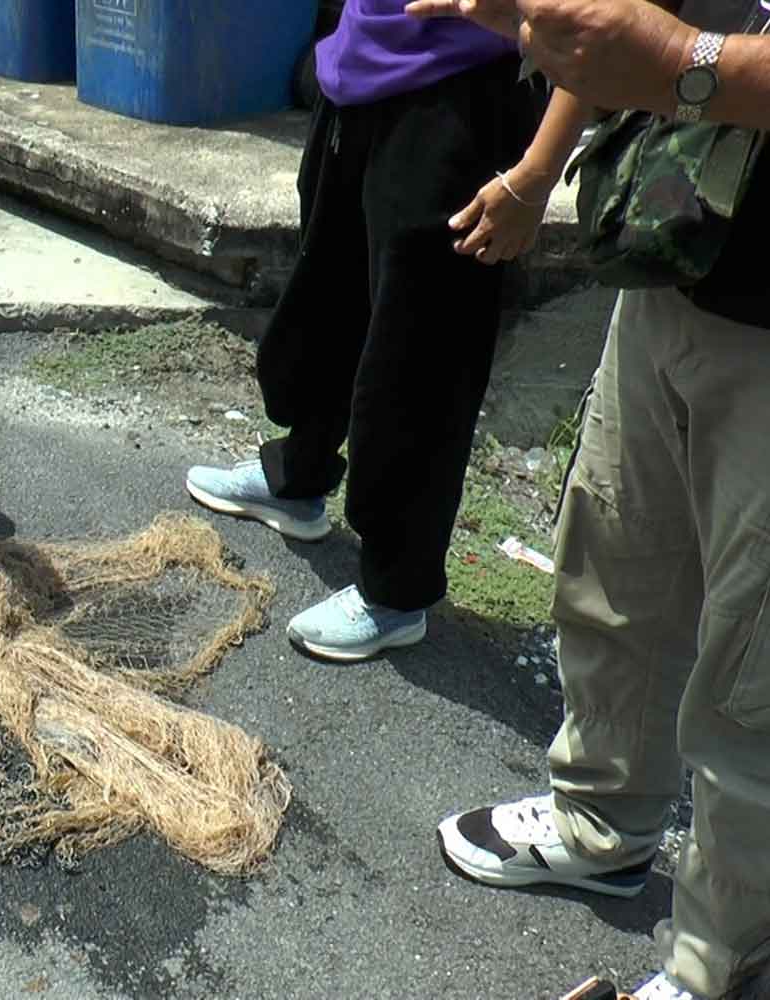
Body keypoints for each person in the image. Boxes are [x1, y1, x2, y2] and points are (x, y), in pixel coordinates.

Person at [397, 0, 770, 994]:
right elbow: (629, 26)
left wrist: (691, 69)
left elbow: (672, 49)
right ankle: (602, 817)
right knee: (614, 558)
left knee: (754, 677)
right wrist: (536, 166)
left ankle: (723, 966)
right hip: (676, 256)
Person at [182, 2, 595, 662]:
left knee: (422, 353)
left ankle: (396, 592)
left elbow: (599, 24)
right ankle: (299, 478)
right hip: (360, 71)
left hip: (464, 91)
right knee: (325, 298)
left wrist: (537, 174)